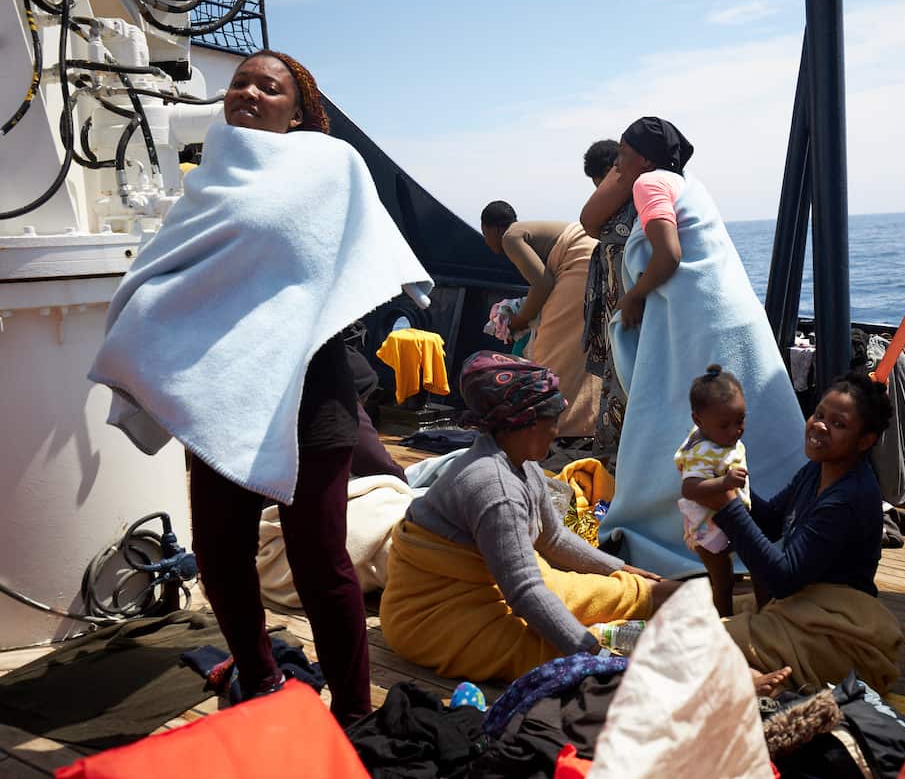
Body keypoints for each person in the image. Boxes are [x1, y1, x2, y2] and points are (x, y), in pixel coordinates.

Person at [90, 51, 433, 726]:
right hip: (222, 390)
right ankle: (260, 678)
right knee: (220, 551)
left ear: (298, 109)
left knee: (320, 558)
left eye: (268, 86)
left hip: (313, 392)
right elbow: (173, 273)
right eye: (240, 82)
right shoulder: (208, 179)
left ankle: (356, 710)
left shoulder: (333, 169)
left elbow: (346, 256)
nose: (248, 91)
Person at [379, 352, 681, 682]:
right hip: (434, 617)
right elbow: (525, 592)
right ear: (527, 421)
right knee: (554, 654)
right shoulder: (495, 486)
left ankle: (677, 606)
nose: (557, 429)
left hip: (497, 585)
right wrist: (594, 654)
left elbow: (553, 539)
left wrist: (622, 570)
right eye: (553, 418)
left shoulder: (523, 465)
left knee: (636, 591)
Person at [593, 116, 808, 576]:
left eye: (624, 152)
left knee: (667, 423)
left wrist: (633, 296)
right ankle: (777, 521)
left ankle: (670, 532)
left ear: (643, 157)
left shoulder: (650, 181)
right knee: (753, 424)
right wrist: (623, 171)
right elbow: (593, 219)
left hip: (699, 323)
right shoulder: (686, 182)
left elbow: (667, 254)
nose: (618, 161)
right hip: (731, 316)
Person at [684, 373, 903, 694]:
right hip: (801, 606)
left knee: (691, 642)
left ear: (865, 441)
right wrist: (728, 483)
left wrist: (727, 506)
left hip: (833, 624)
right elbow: (772, 520)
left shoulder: (847, 498)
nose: (820, 426)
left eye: (838, 424)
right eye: (819, 415)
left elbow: (783, 579)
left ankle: (752, 678)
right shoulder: (818, 469)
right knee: (694, 616)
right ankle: (749, 671)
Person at [481, 201, 602, 439]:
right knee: (576, 352)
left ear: (493, 229)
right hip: (596, 260)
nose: (487, 242)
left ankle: (548, 428)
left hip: (580, 261)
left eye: (486, 235)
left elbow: (543, 284)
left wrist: (520, 320)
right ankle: (579, 426)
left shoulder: (510, 237)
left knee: (547, 351)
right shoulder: (526, 233)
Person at [675, 365, 752, 618]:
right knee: (722, 580)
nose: (735, 431)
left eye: (740, 421)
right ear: (699, 420)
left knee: (738, 573)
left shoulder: (719, 439)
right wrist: (725, 482)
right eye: (725, 425)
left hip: (726, 522)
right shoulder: (700, 450)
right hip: (708, 530)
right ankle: (723, 619)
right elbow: (690, 488)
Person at [579, 139, 632, 460]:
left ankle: (614, 466)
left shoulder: (630, 203)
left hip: (628, 315)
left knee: (623, 389)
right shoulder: (623, 207)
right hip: (620, 316)